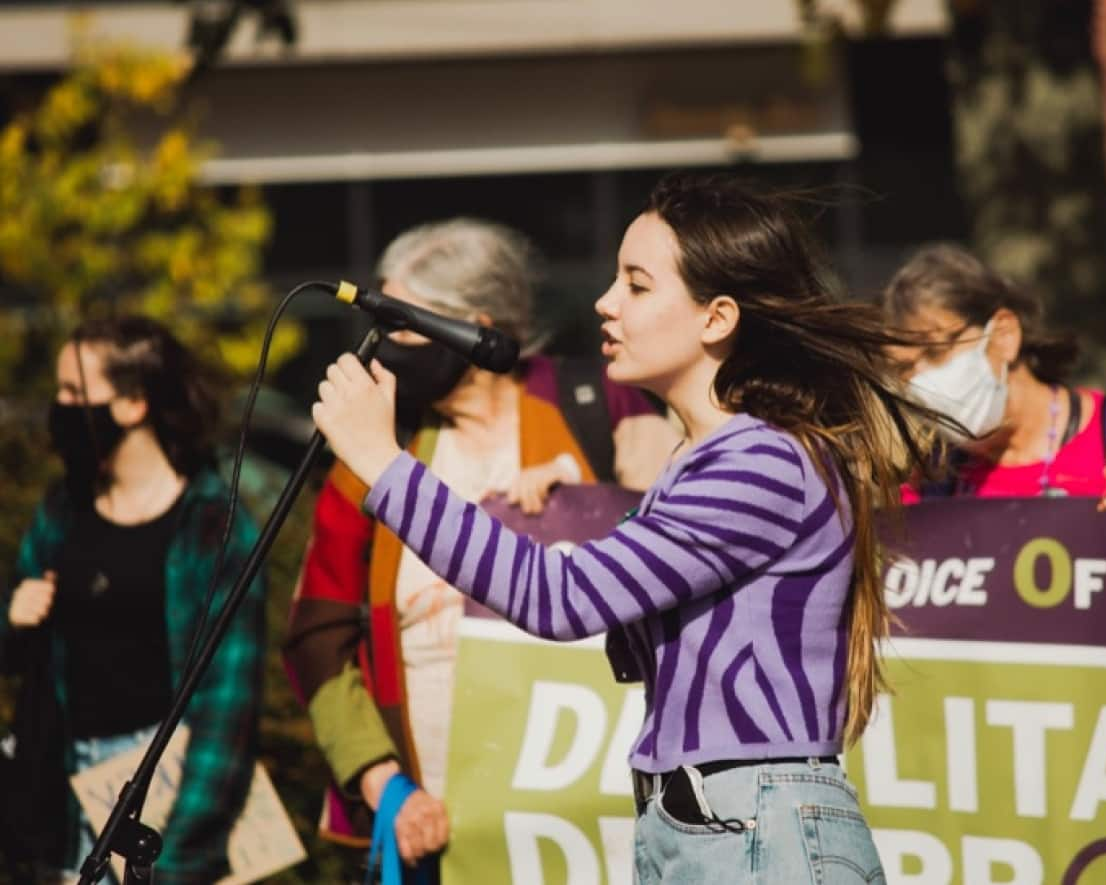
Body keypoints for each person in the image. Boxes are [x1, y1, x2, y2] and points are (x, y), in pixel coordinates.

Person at [309, 174, 936, 882]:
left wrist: (384, 466)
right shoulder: (709, 460)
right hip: (708, 824)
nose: (606, 303)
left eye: (636, 285)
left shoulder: (762, 458)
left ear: (716, 317)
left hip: (756, 826)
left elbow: (560, 597)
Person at [282, 218, 678, 876]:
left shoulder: (597, 402)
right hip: (433, 823)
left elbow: (677, 551)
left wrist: (589, 499)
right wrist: (384, 784)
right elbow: (315, 632)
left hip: (585, 824)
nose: (383, 343)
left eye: (403, 321)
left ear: (475, 325)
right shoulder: (378, 439)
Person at [0, 316, 267, 884]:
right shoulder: (62, 510)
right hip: (64, 794)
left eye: (75, 393)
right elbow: (16, 655)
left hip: (162, 788)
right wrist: (11, 618)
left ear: (133, 404)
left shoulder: (211, 525)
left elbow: (227, 708)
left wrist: (183, 853)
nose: (61, 406)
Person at [883, 243, 1106, 502]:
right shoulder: (930, 483)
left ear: (1004, 335)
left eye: (935, 352)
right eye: (906, 370)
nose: (922, 382)